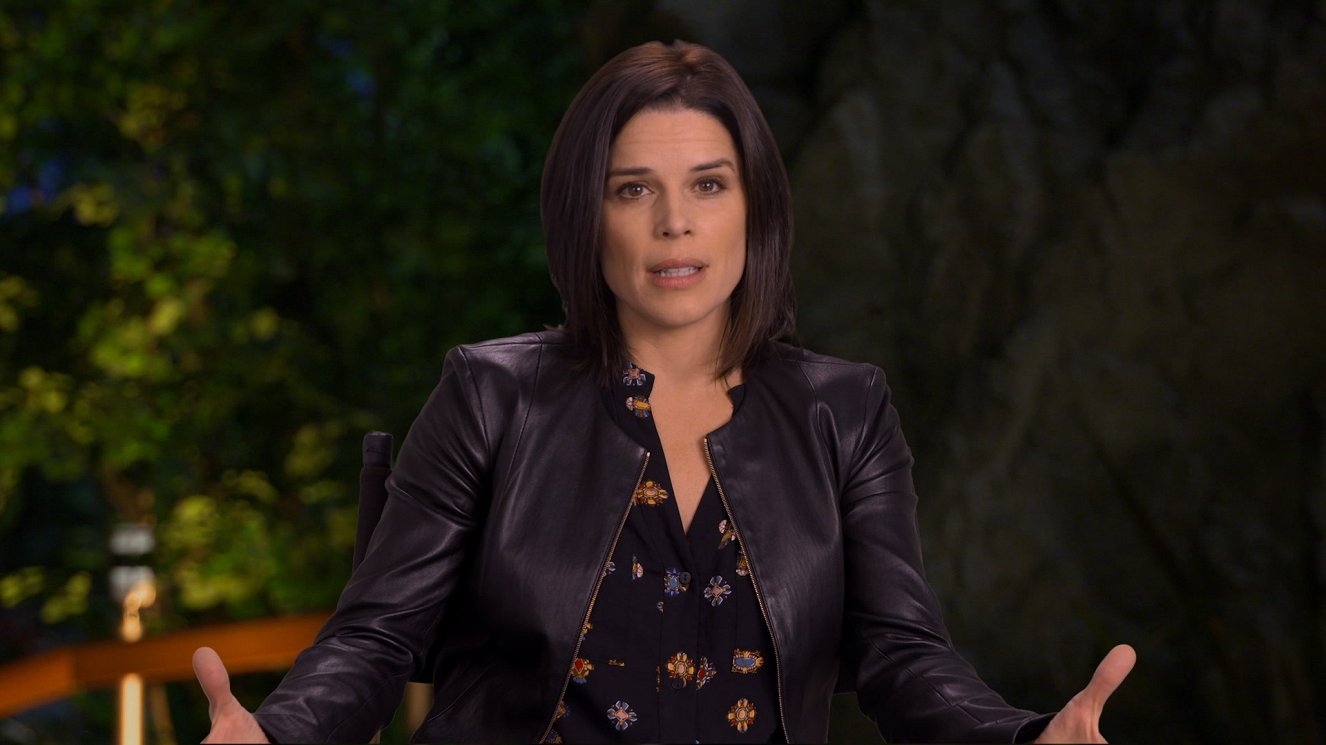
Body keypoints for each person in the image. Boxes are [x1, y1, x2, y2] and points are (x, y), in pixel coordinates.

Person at [193, 40, 1135, 743]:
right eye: (633, 190)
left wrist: (1019, 736)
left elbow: (904, 654)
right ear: (586, 214)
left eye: (709, 185)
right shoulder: (489, 395)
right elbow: (376, 635)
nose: (675, 223)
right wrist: (279, 733)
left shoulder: (845, 412)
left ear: (754, 208)